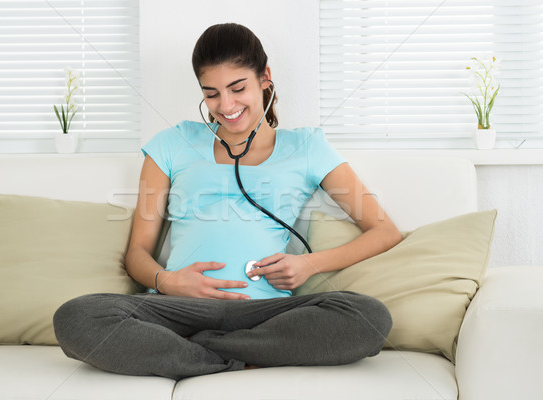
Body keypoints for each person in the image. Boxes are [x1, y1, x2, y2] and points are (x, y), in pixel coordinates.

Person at [53, 23, 402, 381]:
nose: (227, 105)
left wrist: (310, 265)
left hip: (264, 313)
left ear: (265, 77)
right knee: (77, 317)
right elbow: (137, 254)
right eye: (212, 94)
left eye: (238, 88)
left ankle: (195, 352)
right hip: (178, 309)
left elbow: (384, 231)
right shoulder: (172, 143)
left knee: (369, 318)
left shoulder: (307, 147)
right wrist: (168, 281)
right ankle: (237, 358)